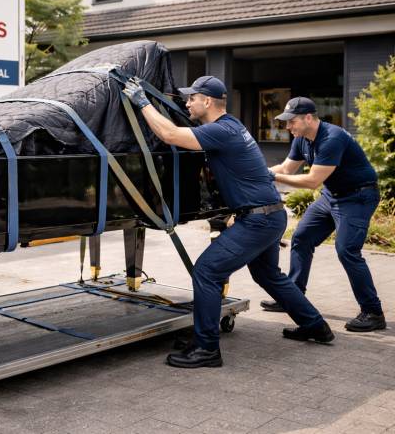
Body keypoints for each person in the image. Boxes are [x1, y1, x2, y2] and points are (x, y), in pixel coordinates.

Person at [123, 76, 334, 369]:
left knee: (207, 272)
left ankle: (207, 348)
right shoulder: (232, 125)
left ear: (207, 101)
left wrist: (142, 102)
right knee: (268, 274)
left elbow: (170, 135)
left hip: (260, 219)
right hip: (269, 213)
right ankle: (315, 326)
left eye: (191, 98)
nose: (187, 103)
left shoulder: (220, 130)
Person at [261, 97, 384, 332]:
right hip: (332, 196)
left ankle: (373, 312)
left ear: (309, 118)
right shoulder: (302, 138)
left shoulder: (332, 138)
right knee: (302, 238)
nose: (288, 127)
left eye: (292, 121)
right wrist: (260, 172)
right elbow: (287, 169)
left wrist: (272, 178)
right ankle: (293, 297)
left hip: (358, 197)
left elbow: (312, 181)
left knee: (347, 250)